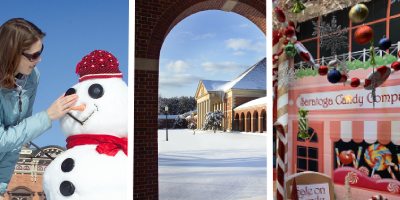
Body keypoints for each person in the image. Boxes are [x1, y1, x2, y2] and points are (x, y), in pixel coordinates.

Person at [0, 18, 78, 198]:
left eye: (40, 51)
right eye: (33, 55)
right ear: (12, 53)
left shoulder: (31, 77)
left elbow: (19, 134)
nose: (39, 59)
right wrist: (48, 116)